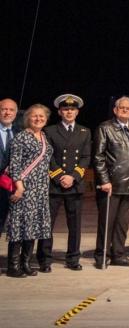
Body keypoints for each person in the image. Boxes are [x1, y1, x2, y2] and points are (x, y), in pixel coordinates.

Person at [37, 94, 91, 271]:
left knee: (74, 226)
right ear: (60, 111)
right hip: (55, 184)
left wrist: (73, 176)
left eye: (72, 109)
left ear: (77, 112)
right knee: (48, 224)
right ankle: (45, 260)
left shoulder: (84, 131)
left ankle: (73, 258)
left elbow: (85, 157)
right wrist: (60, 176)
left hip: (74, 185)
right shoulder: (50, 131)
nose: (69, 112)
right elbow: (48, 156)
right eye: (66, 109)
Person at [93, 96, 129, 268]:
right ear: (115, 110)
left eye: (128, 108)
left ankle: (118, 254)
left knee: (122, 224)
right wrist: (104, 180)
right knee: (106, 222)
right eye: (121, 107)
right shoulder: (105, 128)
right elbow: (98, 157)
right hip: (112, 185)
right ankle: (102, 255)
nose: (124, 110)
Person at [5, 104, 51, 279]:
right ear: (27, 118)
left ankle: (26, 263)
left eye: (41, 116)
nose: (38, 119)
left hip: (40, 189)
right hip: (25, 188)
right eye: (34, 116)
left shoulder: (44, 137)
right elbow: (15, 164)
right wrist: (19, 186)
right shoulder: (21, 137)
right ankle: (13, 266)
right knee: (19, 226)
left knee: (33, 227)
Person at [0, 98, 19, 234]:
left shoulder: (19, 133)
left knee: (3, 221)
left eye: (11, 110)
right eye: (4, 109)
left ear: (16, 113)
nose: (7, 113)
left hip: (10, 185)